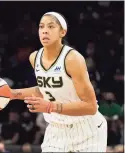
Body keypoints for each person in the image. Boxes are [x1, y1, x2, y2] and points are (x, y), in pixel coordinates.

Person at [10, 12, 107, 152]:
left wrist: (50, 107)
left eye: (51, 26)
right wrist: (12, 93)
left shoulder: (72, 59)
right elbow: (45, 89)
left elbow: (90, 106)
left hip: (87, 128)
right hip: (57, 130)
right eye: (41, 26)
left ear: (62, 32)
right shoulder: (34, 58)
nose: (44, 30)